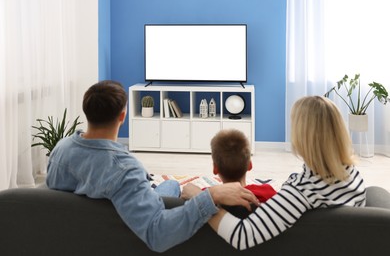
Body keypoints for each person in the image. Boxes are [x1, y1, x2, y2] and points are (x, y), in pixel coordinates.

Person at [45, 80, 258, 253]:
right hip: (125, 232)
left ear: (87, 111)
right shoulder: (125, 171)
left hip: (78, 234)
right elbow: (158, 234)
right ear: (123, 116)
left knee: (172, 185)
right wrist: (210, 195)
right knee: (172, 187)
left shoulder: (60, 150)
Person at [201, 96, 366, 250]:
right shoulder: (351, 173)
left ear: (302, 137)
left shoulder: (302, 191)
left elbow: (242, 236)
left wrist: (202, 200)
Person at [181, 129, 276, 217]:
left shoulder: (204, 196)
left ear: (215, 168)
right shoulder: (267, 192)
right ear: (250, 165)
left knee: (171, 185)